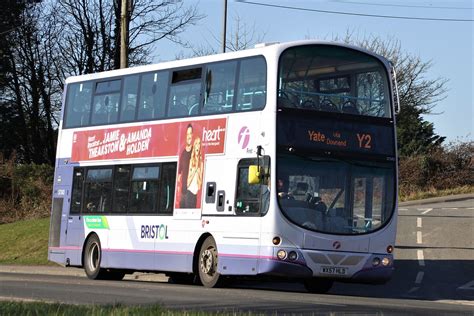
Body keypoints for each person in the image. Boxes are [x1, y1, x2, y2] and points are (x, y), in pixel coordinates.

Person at [177, 124, 193, 208]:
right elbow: (179, 173)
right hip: (183, 192)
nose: (189, 136)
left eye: (190, 134)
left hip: (190, 192)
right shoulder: (183, 153)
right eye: (187, 134)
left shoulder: (195, 152)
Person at [186, 137, 203, 208]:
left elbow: (199, 185)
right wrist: (194, 171)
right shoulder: (191, 161)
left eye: (199, 144)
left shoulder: (201, 163)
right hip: (189, 192)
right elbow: (188, 182)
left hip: (195, 194)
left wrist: (198, 173)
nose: (197, 146)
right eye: (196, 144)